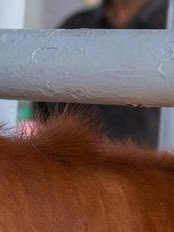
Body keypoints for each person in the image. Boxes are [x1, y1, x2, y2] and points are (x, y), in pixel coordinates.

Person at [34, 0, 169, 148]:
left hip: (157, 160)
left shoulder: (168, 23)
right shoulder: (74, 26)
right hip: (80, 160)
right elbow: (45, 113)